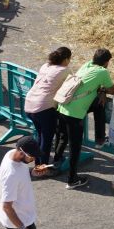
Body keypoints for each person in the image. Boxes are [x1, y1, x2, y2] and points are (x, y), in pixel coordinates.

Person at [55, 48, 114, 190]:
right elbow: (113, 90)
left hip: (62, 106)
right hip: (74, 114)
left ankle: (55, 163)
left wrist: (99, 90)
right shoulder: (103, 72)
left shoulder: (87, 65)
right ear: (106, 62)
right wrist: (103, 90)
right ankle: (72, 180)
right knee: (75, 148)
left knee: (62, 137)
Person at [23, 47, 71, 178]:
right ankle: (41, 169)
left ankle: (38, 163)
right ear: (66, 59)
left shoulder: (45, 66)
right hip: (44, 107)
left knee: (40, 136)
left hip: (30, 103)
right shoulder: (64, 70)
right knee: (46, 139)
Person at [0, 135, 43, 229]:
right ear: (21, 152)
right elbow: (6, 207)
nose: (34, 159)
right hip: (17, 222)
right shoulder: (11, 175)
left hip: (24, 217)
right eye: (32, 156)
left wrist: (32, 172)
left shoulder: (11, 153)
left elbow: (20, 172)